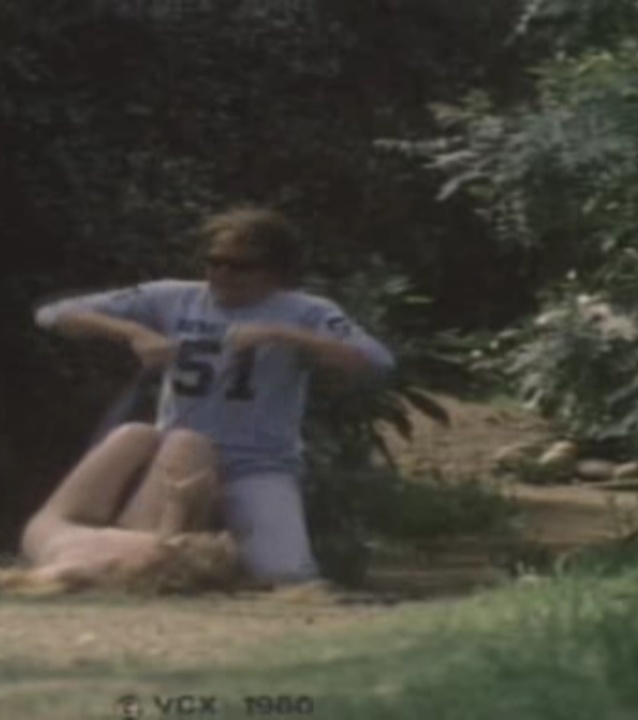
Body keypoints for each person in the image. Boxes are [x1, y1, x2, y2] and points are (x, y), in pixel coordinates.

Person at [34, 207, 395, 586]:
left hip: (257, 463)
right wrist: (133, 333)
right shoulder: (172, 297)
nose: (222, 274)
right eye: (214, 262)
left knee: (285, 575)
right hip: (179, 453)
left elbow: (377, 360)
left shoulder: (307, 311)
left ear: (276, 271)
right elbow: (54, 314)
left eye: (240, 266)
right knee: (142, 562)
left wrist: (282, 335)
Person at [0, 423, 244, 595]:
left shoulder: (97, 571)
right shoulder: (164, 549)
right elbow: (170, 536)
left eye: (195, 540)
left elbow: (5, 580)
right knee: (180, 440)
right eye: (194, 537)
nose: (190, 537)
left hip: (60, 530)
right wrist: (179, 499)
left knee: (137, 434)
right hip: (130, 531)